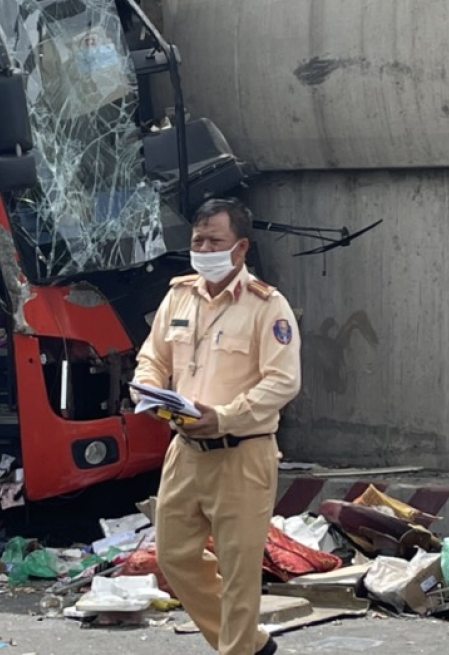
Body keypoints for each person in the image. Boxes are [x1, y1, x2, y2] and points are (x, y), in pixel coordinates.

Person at [133, 197, 302, 655]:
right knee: (175, 557)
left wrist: (225, 415)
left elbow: (283, 382)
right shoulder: (179, 295)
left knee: (239, 570)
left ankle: (238, 649)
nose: (204, 248)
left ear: (241, 247)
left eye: (215, 241)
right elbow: (153, 357)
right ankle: (253, 645)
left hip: (242, 452)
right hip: (185, 450)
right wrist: (147, 388)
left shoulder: (268, 306)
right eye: (198, 240)